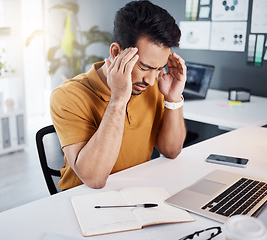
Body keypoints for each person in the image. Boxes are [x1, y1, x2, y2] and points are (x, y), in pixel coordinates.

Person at [50, 0, 187, 190]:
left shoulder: (152, 86)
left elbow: (171, 150)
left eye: (158, 69)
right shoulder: (68, 96)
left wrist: (173, 99)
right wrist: (118, 100)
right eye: (144, 67)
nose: (151, 80)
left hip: (134, 192)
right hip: (82, 200)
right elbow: (94, 179)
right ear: (116, 52)